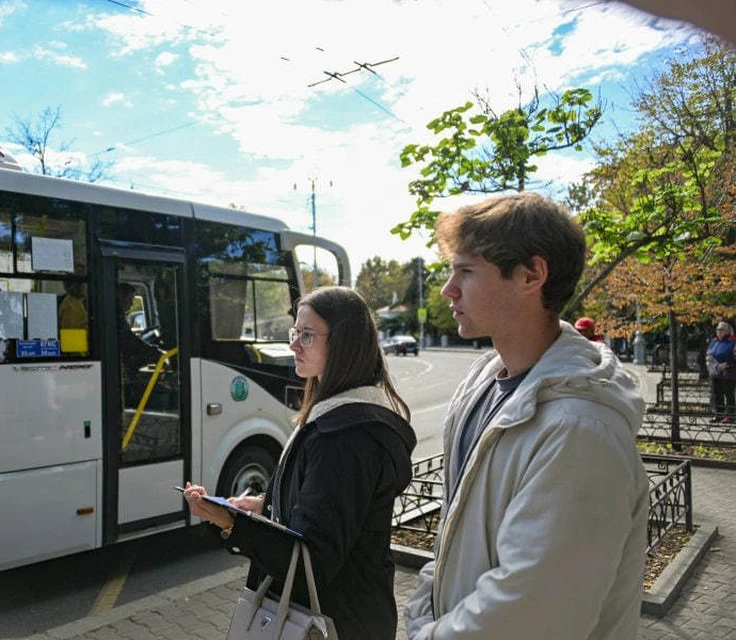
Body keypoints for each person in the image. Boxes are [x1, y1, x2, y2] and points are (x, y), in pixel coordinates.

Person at [404, 193, 648, 640]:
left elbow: (533, 607)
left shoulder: (581, 428)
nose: (448, 289)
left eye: (466, 271)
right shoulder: (484, 382)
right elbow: (455, 527)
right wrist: (424, 606)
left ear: (532, 275)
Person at [184, 286, 416, 640]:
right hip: (348, 615)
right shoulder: (337, 419)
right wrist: (265, 506)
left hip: (338, 623)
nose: (294, 344)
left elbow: (314, 559)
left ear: (345, 343)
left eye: (307, 335)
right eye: (296, 332)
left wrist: (232, 522)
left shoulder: (344, 437)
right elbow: (329, 513)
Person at [707, 321, 736, 423]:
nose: (719, 332)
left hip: (729, 371)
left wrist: (727, 364)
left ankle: (730, 415)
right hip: (715, 371)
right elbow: (709, 354)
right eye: (718, 330)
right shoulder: (714, 341)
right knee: (717, 394)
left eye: (721, 330)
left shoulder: (733, 341)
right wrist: (713, 364)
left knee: (729, 394)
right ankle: (718, 414)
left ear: (727, 331)